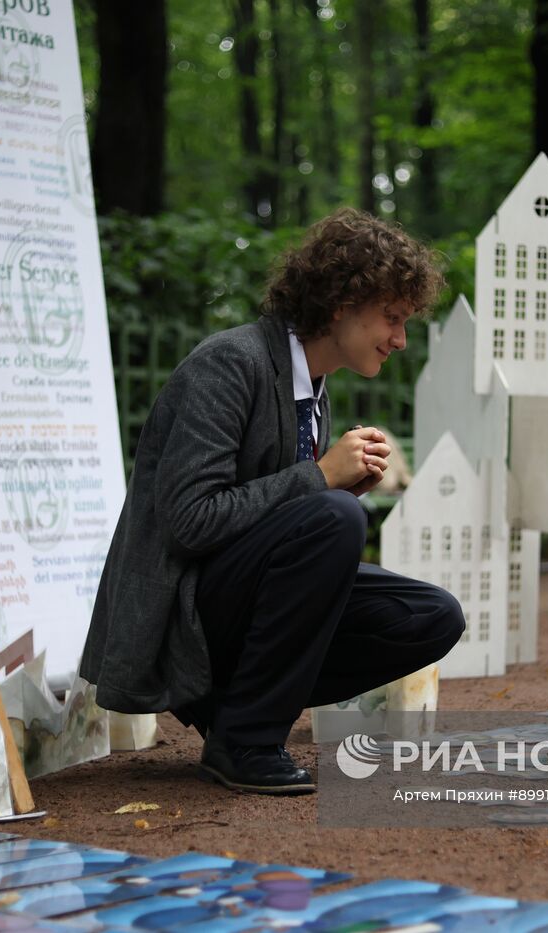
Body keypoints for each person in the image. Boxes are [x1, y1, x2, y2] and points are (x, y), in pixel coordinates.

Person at [79, 208, 465, 795]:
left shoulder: (311, 389)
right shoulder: (230, 364)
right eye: (391, 318)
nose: (400, 339)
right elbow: (189, 523)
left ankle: (236, 711)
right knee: (336, 517)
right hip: (185, 617)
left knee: (432, 617)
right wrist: (318, 480)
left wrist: (330, 484)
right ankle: (245, 742)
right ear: (342, 303)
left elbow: (282, 516)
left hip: (239, 603)